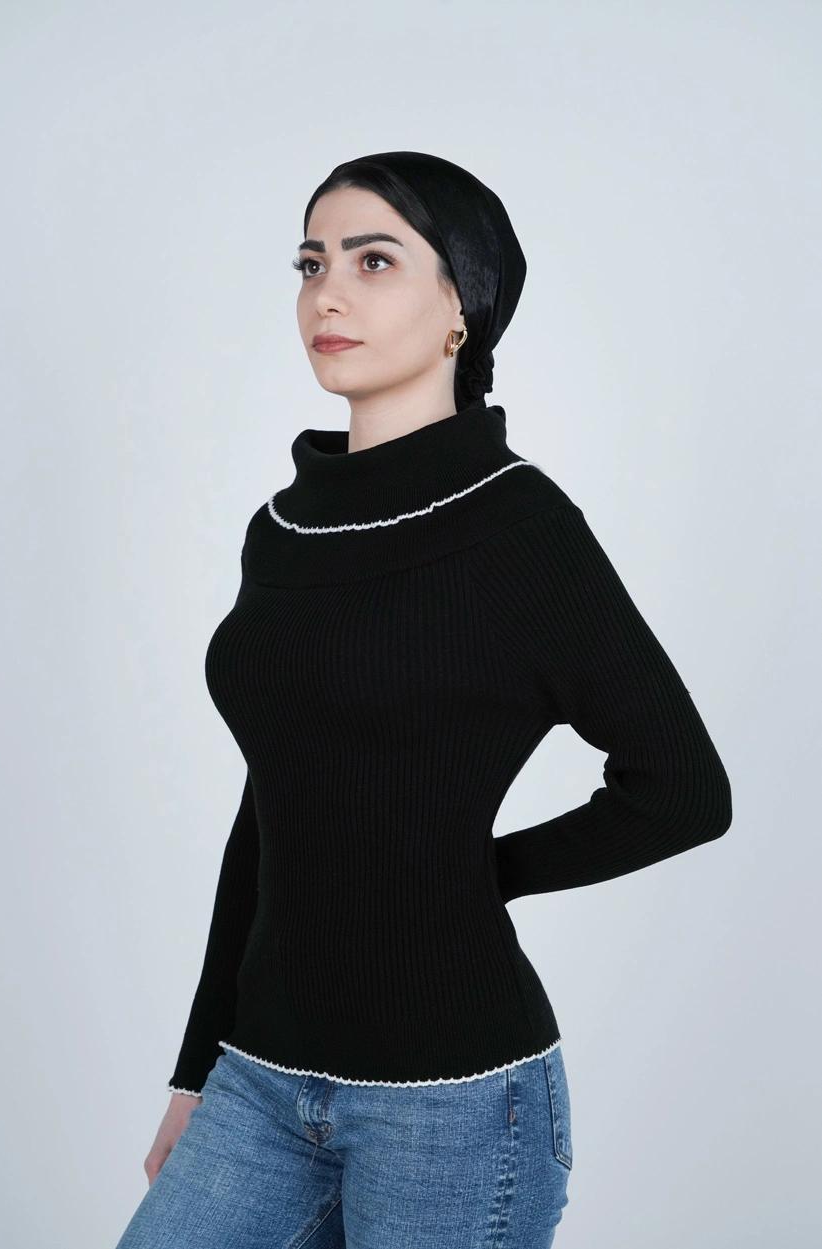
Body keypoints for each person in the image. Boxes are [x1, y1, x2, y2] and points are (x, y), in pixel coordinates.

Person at [115, 151, 732, 1248]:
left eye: (373, 260)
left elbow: (681, 789)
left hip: (451, 1100)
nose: (327, 294)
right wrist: (196, 1067)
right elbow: (272, 809)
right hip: (260, 1079)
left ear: (461, 305)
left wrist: (478, 870)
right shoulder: (283, 531)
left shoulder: (520, 528)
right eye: (311, 263)